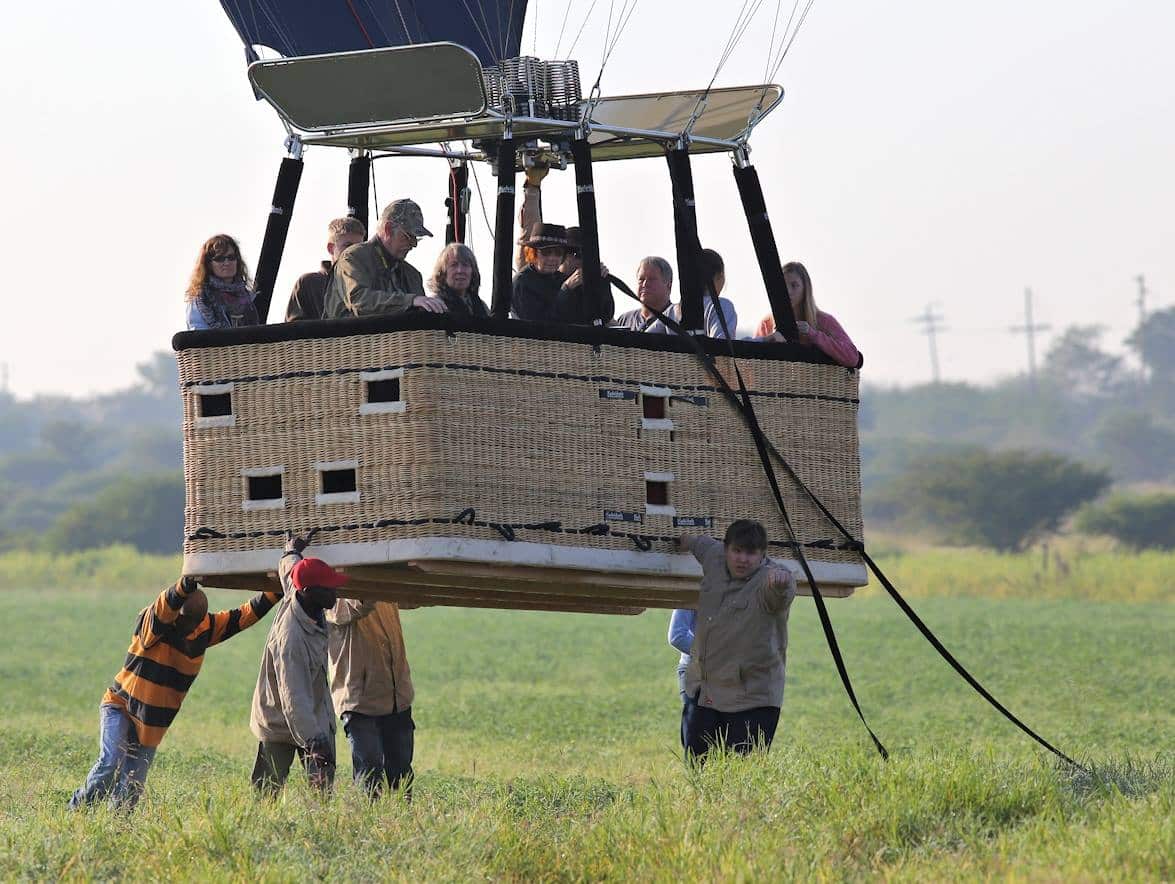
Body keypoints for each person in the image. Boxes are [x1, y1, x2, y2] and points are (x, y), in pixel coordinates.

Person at [70, 577, 282, 810]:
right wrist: (186, 584)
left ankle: (117, 830)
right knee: (109, 764)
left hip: (152, 726)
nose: (190, 627)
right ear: (176, 614)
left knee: (131, 787)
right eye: (187, 620)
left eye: (195, 622)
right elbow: (166, 602)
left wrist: (277, 589)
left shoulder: (204, 627)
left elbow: (244, 616)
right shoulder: (154, 626)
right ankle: (77, 809)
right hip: (121, 706)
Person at [678, 520, 797, 763]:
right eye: (737, 551)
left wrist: (781, 584)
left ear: (763, 554)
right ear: (726, 549)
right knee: (697, 766)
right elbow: (697, 543)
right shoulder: (714, 557)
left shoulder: (771, 580)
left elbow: (781, 594)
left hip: (752, 697)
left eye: (751, 553)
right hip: (706, 691)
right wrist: (682, 540)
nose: (743, 559)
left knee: (740, 769)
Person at [250, 541, 347, 796]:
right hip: (280, 723)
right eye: (329, 588)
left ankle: (320, 829)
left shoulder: (301, 593)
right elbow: (294, 698)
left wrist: (291, 550)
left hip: (312, 714)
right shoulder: (291, 640)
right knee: (267, 795)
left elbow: (289, 570)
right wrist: (316, 741)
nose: (335, 592)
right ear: (310, 592)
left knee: (322, 797)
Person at [326, 595, 417, 799]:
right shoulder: (332, 597)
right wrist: (381, 579)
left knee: (401, 772)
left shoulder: (383, 590)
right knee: (369, 771)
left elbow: (412, 598)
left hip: (396, 696)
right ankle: (369, 822)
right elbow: (356, 607)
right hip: (360, 701)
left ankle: (402, 823)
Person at [322, 199, 448, 319]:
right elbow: (360, 301)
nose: (413, 244)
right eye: (408, 236)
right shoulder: (352, 259)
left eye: (416, 238)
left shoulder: (412, 275)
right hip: (352, 340)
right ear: (388, 229)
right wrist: (410, 301)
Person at [754, 261, 860, 368]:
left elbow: (852, 357)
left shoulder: (824, 321)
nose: (788, 291)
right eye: (783, 285)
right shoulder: (766, 324)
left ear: (805, 289)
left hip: (814, 383)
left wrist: (813, 334)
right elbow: (752, 364)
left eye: (794, 285)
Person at [612, 255, 738, 338]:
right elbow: (722, 347)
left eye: (652, 280)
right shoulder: (722, 306)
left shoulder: (673, 311)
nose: (645, 284)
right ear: (719, 276)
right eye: (641, 279)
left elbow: (643, 343)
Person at [285, 217, 366, 321]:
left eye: (358, 247)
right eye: (348, 246)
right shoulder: (309, 283)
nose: (354, 253)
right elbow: (293, 329)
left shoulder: (368, 283)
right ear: (331, 248)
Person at [184, 234, 260, 330]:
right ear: (209, 264)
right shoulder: (200, 297)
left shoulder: (247, 295)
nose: (227, 263)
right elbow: (197, 333)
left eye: (231, 257)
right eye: (219, 259)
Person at [428, 242, 489, 318]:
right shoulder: (434, 306)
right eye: (454, 265)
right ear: (443, 273)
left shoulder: (482, 307)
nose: (460, 270)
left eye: (465, 265)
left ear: (472, 272)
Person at [667, 608, 696, 748]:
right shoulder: (692, 588)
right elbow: (677, 636)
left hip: (733, 670)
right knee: (697, 739)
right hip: (696, 670)